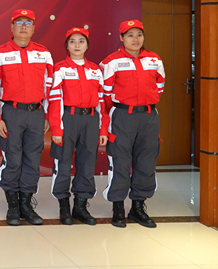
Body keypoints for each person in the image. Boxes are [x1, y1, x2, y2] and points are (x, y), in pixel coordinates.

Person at [100, 20, 165, 228]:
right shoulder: (111, 61)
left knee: (146, 161)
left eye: (139, 34)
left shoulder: (154, 59)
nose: (135, 39)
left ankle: (138, 207)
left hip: (148, 117)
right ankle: (118, 208)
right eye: (130, 35)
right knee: (120, 161)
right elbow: (105, 95)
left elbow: (160, 86)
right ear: (121, 38)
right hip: (122, 116)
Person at [0, 9, 53, 226]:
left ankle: (26, 205)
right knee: (12, 158)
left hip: (36, 113)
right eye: (19, 22)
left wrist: (47, 114)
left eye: (28, 22)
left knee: (32, 160)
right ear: (12, 27)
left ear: (34, 28)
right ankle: (13, 206)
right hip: (11, 113)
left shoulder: (43, 53)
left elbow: (50, 86)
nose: (24, 26)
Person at [48, 27, 107, 226]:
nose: (77, 45)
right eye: (72, 41)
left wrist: (102, 129)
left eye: (81, 41)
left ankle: (80, 206)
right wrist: (57, 129)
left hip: (90, 120)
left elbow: (102, 102)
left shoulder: (95, 70)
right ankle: (64, 206)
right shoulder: (60, 69)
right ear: (66, 45)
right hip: (68, 119)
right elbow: (55, 100)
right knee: (63, 163)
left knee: (87, 163)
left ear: (87, 45)